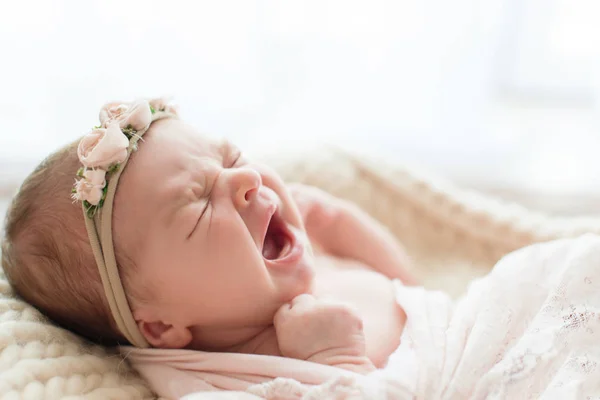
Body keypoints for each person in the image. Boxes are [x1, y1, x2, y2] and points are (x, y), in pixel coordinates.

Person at [1, 98, 415, 377]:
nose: (247, 178)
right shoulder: (237, 377)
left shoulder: (298, 266)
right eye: (199, 207)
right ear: (163, 327)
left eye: (231, 158)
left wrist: (339, 223)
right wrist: (337, 362)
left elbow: (411, 290)